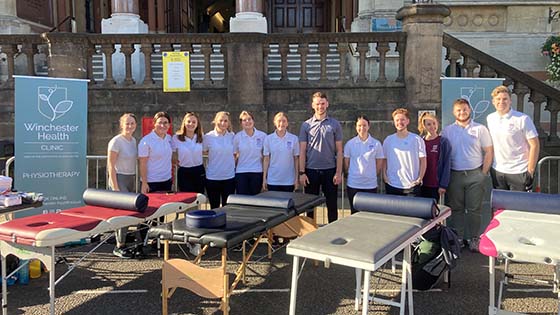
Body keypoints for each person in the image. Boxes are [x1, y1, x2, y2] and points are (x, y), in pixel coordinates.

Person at [442, 99, 493, 250]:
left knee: (474, 209)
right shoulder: (447, 131)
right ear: (453, 112)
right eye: (458, 110)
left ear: (469, 110)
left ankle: (474, 239)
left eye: (464, 109)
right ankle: (458, 237)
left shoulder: (480, 129)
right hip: (455, 175)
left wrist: (483, 173)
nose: (462, 112)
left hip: (475, 175)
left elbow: (489, 151)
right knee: (456, 209)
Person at [299, 91, 343, 223]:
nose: (320, 106)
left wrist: (338, 172)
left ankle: (332, 232)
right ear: (313, 105)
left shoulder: (335, 124)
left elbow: (340, 150)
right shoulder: (306, 125)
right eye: (318, 104)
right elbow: (302, 150)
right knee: (310, 207)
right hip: (311, 170)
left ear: (327, 104)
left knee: (332, 205)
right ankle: (310, 233)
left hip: (330, 170)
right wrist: (302, 172)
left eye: (323, 103)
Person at [486, 86, 539, 192]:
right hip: (498, 171)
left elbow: (535, 145)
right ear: (493, 101)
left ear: (510, 101)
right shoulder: (490, 118)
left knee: (519, 207)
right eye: (498, 99)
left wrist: (530, 171)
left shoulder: (522, 119)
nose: (501, 102)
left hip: (519, 171)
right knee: (501, 207)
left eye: (505, 99)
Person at [107, 113, 138, 259]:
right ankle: (119, 246)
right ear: (121, 125)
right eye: (127, 123)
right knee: (123, 213)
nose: (130, 126)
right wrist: (115, 187)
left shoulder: (134, 141)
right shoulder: (116, 142)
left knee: (129, 212)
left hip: (130, 178)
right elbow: (111, 165)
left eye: (132, 123)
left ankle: (122, 236)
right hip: (119, 178)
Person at [343, 115, 384, 214]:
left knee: (369, 213)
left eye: (364, 125)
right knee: (354, 212)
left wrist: (372, 174)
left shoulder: (376, 144)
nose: (362, 128)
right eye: (359, 125)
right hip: (354, 184)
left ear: (369, 126)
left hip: (370, 185)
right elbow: (346, 163)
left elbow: (379, 163)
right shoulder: (350, 144)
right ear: (356, 127)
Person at [382, 108, 426, 197]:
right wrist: (385, 177)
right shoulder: (388, 140)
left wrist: (419, 178)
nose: (400, 122)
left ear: (408, 121)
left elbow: (423, 161)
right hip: (392, 185)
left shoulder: (417, 139)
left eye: (402, 119)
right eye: (397, 120)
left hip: (412, 186)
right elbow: (384, 160)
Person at [204, 111, 235, 209]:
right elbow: (203, 151)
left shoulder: (232, 136)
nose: (223, 123)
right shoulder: (208, 137)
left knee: (228, 207)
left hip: (229, 177)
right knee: (214, 207)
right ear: (215, 121)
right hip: (213, 178)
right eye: (220, 120)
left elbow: (236, 152)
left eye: (225, 121)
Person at [417, 112, 452, 201]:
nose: (432, 126)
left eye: (434, 123)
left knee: (434, 211)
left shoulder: (443, 142)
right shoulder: (419, 141)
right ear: (424, 126)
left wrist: (443, 185)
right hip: (421, 184)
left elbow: (446, 164)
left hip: (435, 185)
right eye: (429, 124)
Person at [263, 112, 299, 192]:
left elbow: (296, 159)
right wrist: (264, 179)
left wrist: (296, 179)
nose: (281, 123)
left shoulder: (294, 139)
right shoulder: (268, 139)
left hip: (289, 180)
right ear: (274, 123)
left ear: (287, 123)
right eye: (279, 121)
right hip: (273, 180)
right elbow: (266, 159)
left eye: (284, 121)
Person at [138, 112, 173, 194]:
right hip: (151, 182)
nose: (162, 125)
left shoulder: (169, 138)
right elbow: (143, 163)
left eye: (165, 123)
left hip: (167, 180)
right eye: (160, 122)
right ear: (154, 123)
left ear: (169, 125)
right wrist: (144, 183)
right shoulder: (146, 141)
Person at [234, 111, 267, 195]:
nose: (247, 122)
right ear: (241, 123)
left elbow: (265, 156)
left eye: (249, 119)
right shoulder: (237, 137)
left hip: (257, 172)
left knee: (254, 200)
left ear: (253, 120)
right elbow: (234, 155)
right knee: (242, 200)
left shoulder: (263, 136)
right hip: (241, 172)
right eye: (244, 120)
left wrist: (265, 176)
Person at [172, 112, 205, 194]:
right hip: (184, 172)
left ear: (197, 124)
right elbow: (170, 152)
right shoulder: (176, 138)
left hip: (199, 171)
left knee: (199, 197)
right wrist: (173, 160)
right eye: (189, 121)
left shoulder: (202, 137)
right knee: (186, 199)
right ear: (184, 123)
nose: (191, 124)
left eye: (194, 122)